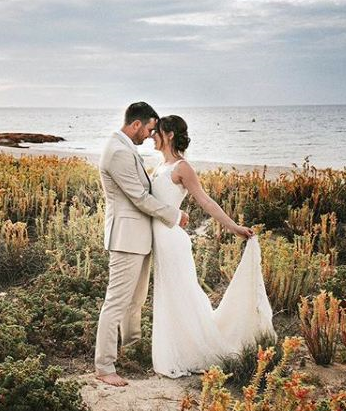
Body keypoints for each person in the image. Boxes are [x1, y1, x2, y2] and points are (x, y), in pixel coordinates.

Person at [150, 115, 276, 378]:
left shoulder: (182, 167)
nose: (152, 136)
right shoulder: (160, 166)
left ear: (169, 135)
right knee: (171, 297)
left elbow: (206, 201)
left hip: (172, 242)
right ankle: (177, 349)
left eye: (157, 132)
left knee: (182, 295)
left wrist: (234, 227)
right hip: (160, 240)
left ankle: (193, 352)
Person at [94, 102, 190, 387]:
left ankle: (131, 350)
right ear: (136, 124)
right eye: (149, 129)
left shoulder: (125, 148)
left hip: (138, 238)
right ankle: (104, 366)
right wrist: (175, 215)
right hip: (126, 238)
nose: (150, 135)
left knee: (134, 302)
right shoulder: (119, 151)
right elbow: (139, 197)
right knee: (116, 302)